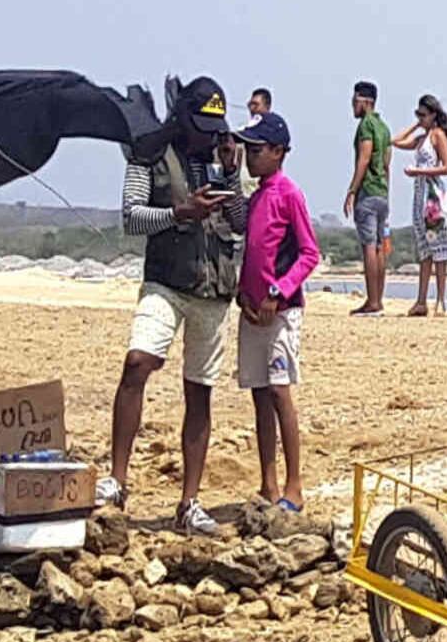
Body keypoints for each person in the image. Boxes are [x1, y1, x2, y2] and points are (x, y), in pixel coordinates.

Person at [107, 77, 245, 531]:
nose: (211, 135)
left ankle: (189, 503)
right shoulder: (147, 154)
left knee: (199, 391)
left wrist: (230, 176)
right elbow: (130, 218)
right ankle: (117, 481)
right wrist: (178, 213)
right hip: (166, 280)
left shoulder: (223, 160)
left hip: (213, 288)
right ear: (184, 118)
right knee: (137, 363)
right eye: (204, 126)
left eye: (217, 127)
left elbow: (241, 223)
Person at [235, 111, 322, 516]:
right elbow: (253, 250)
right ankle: (267, 481)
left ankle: (294, 483)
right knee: (258, 394)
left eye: (256, 150)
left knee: (279, 390)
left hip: (282, 312)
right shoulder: (256, 197)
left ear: (277, 152)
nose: (249, 158)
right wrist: (242, 290)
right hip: (252, 312)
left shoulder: (289, 193)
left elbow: (309, 253)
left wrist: (277, 291)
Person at [395, 94, 447, 315]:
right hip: (419, 196)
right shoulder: (421, 138)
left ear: (433, 115)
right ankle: (421, 300)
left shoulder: (437, 136)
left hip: (432, 196)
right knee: (425, 251)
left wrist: (420, 171)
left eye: (423, 115)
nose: (421, 119)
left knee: (439, 251)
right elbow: (396, 141)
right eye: (418, 114)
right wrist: (416, 125)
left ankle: (441, 301)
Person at [345, 80, 394, 312]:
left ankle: (373, 301)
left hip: (368, 192)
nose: (352, 106)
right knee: (380, 247)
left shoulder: (366, 125)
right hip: (383, 192)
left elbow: (364, 158)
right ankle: (378, 299)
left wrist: (352, 190)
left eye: (355, 101)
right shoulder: (384, 128)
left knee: (369, 246)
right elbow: (386, 164)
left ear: (366, 102)